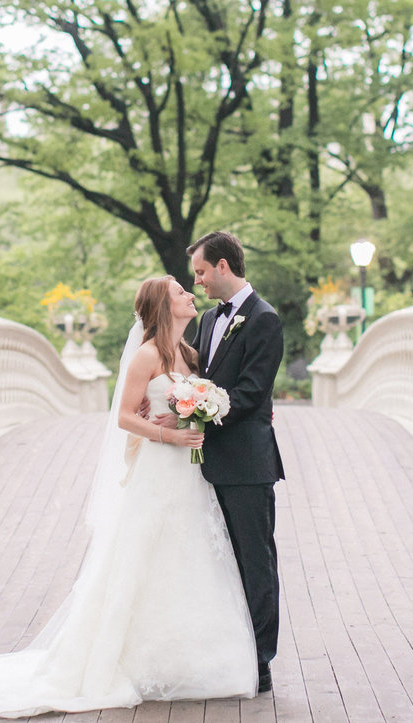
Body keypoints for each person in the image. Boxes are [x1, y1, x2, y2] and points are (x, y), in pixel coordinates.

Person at [0, 276, 257, 719]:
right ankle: (127, 660)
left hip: (189, 476)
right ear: (165, 308)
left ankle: (191, 660)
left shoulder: (189, 352)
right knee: (145, 556)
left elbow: (207, 397)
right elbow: (126, 418)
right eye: (180, 292)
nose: (190, 294)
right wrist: (166, 434)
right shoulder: (146, 356)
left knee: (189, 556)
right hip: (159, 470)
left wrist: (220, 409)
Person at [167, 230, 285, 695]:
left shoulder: (264, 319)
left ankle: (260, 661)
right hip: (208, 463)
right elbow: (198, 375)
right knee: (220, 563)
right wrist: (177, 399)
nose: (197, 281)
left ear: (222, 266)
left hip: (248, 465)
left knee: (255, 561)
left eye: (200, 272)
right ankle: (226, 652)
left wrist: (199, 410)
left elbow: (254, 393)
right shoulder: (213, 318)